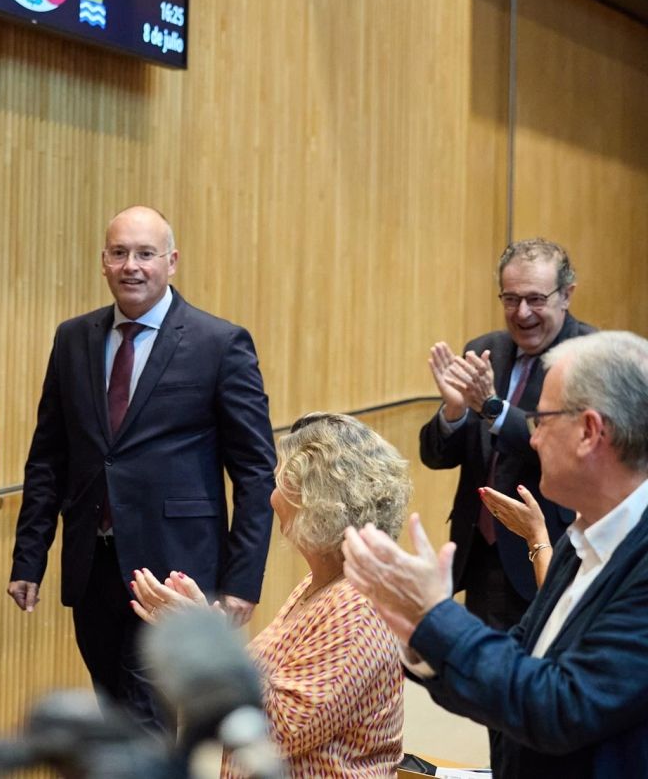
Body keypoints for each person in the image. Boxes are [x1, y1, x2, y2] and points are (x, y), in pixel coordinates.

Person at [9, 205, 276, 732]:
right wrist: (28, 558)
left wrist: (241, 580)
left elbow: (255, 472)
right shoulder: (73, 339)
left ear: (171, 262)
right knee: (115, 712)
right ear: (103, 262)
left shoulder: (219, 343)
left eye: (146, 254)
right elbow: (49, 458)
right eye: (119, 253)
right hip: (93, 567)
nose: (131, 266)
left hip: (176, 571)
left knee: (147, 715)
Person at [344, 331, 648, 778]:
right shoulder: (581, 536)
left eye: (540, 420)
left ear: (589, 432)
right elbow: (520, 655)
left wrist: (436, 616)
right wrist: (416, 626)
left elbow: (561, 707)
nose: (533, 439)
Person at [133, 413, 409, 778]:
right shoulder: (322, 585)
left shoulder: (355, 607)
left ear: (317, 501)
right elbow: (263, 683)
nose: (272, 496)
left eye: (280, 481)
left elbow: (277, 731)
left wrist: (210, 649)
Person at [419, 238, 595, 630]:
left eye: (535, 299)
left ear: (566, 295)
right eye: (511, 299)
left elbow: (562, 447)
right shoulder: (484, 350)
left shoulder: (589, 357)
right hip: (478, 549)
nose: (522, 312)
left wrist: (491, 407)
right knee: (482, 660)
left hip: (550, 550)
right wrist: (453, 411)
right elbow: (436, 457)